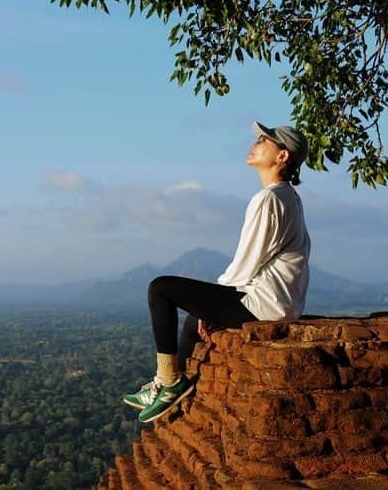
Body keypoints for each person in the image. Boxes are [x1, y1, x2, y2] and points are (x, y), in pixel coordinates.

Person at [123, 120, 311, 424]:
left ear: (282, 156)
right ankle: (165, 383)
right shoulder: (289, 197)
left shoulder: (270, 199)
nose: (255, 144)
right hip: (281, 304)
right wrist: (207, 306)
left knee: (160, 289)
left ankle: (169, 382)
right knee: (192, 318)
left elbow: (247, 263)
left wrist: (218, 296)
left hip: (263, 306)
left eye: (264, 141)